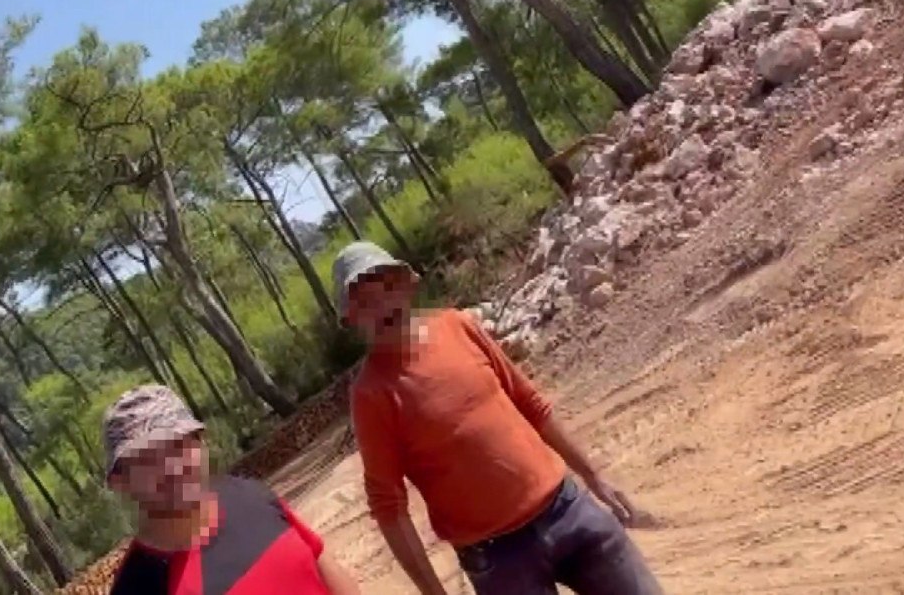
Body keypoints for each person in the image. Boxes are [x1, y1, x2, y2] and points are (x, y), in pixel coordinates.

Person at [334, 241, 663, 595]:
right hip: (498, 559)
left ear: (405, 286)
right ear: (352, 319)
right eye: (365, 302)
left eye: (386, 288)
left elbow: (530, 403)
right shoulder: (372, 394)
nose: (382, 306)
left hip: (566, 508)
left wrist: (593, 475)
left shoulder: (459, 326)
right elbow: (389, 506)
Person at [103, 383, 361, 595]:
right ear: (120, 481)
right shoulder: (138, 588)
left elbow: (321, 562)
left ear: (201, 442)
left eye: (179, 445)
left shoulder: (248, 495)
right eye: (148, 459)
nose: (172, 467)